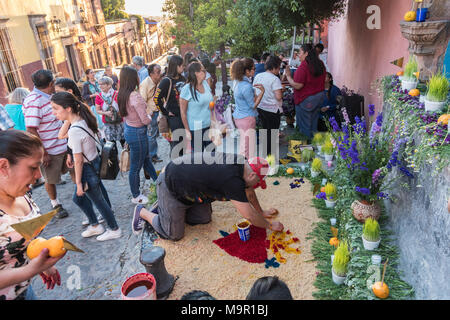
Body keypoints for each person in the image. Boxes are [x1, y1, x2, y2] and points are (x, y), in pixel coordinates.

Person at [131, 153, 284, 240]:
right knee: (173, 234)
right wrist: (270, 225)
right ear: (251, 175)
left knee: (204, 219)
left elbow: (249, 191)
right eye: (257, 182)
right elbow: (249, 215)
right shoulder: (232, 180)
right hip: (171, 185)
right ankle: (143, 212)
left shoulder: (242, 163)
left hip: (192, 189)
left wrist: (262, 212)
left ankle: (171, 212)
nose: (255, 186)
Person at [0, 130, 64, 300]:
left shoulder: (22, 192)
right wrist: (30, 270)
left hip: (24, 291)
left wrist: (41, 262)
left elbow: (22, 236)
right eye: (33, 167)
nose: (39, 176)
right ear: (4, 166)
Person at [51, 91, 121, 241]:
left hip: (87, 170)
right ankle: (95, 225)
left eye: (56, 108)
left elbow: (78, 161)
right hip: (93, 163)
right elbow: (61, 135)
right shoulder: (81, 120)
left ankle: (114, 228)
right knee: (82, 199)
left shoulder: (76, 130)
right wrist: (68, 119)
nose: (53, 112)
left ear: (68, 108)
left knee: (98, 202)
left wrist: (78, 183)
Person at [54, 78, 106, 226]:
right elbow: (67, 135)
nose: (56, 96)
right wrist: (70, 153)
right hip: (82, 154)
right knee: (95, 190)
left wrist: (68, 118)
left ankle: (100, 217)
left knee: (93, 190)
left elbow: (66, 134)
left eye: (58, 92)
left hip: (87, 157)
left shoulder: (79, 110)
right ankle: (98, 216)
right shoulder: (73, 113)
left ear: (69, 92)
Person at [23, 69, 69, 219]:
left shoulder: (51, 96)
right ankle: (56, 203)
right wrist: (44, 153)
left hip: (64, 144)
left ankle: (82, 196)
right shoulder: (33, 101)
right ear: (51, 83)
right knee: (50, 179)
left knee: (75, 173)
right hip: (50, 150)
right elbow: (31, 129)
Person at [118, 66, 158, 205]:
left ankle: (158, 183)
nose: (139, 78)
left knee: (146, 159)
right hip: (138, 132)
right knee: (135, 167)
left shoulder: (121, 94)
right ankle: (136, 195)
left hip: (130, 129)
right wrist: (150, 114)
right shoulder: (134, 96)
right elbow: (145, 120)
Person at [284, 43, 326, 140]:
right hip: (318, 98)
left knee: (305, 126)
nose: (298, 54)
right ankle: (314, 147)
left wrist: (288, 76)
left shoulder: (304, 66)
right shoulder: (320, 63)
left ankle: (306, 149)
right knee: (313, 125)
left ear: (306, 53)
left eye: (300, 52)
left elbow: (298, 85)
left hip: (306, 99)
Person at [231, 58, 265, 159]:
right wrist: (262, 92)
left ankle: (244, 167)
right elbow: (253, 105)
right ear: (247, 71)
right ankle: (247, 169)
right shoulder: (246, 86)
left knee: (244, 145)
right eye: (253, 68)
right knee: (248, 148)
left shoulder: (237, 82)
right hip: (247, 118)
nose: (255, 70)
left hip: (239, 117)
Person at [154, 55, 187, 158]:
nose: (183, 67)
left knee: (184, 145)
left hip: (185, 116)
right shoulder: (166, 81)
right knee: (176, 146)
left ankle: (183, 168)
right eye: (181, 65)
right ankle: (175, 168)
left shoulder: (183, 78)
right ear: (176, 66)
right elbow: (156, 98)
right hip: (174, 118)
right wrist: (165, 112)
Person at [253, 55, 283, 157]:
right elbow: (278, 97)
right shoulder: (275, 79)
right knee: (273, 135)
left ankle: (266, 157)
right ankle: (271, 159)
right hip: (273, 110)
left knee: (265, 133)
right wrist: (282, 90)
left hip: (261, 107)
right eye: (279, 68)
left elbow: (256, 93)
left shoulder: (258, 76)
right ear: (274, 67)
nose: (279, 70)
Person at [180, 61, 214, 153]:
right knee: (199, 158)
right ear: (196, 73)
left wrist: (213, 123)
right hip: (196, 128)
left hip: (209, 125)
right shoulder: (186, 89)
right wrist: (187, 130)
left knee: (213, 154)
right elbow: (183, 112)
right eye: (203, 70)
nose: (205, 72)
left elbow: (210, 105)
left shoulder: (206, 84)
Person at [139, 63, 163, 163]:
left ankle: (152, 154)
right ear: (151, 74)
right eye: (158, 72)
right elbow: (142, 101)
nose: (160, 74)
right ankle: (152, 155)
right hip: (152, 113)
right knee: (151, 136)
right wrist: (149, 112)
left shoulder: (160, 81)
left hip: (160, 111)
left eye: (160, 71)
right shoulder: (145, 84)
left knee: (155, 134)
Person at [95, 76, 125, 148]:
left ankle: (126, 158)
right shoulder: (99, 96)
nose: (100, 86)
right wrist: (106, 113)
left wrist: (119, 112)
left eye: (102, 84)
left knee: (123, 142)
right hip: (108, 123)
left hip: (119, 121)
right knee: (112, 145)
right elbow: (97, 110)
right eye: (99, 84)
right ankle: (115, 159)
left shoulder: (117, 94)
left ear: (109, 85)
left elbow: (123, 107)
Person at [82, 69, 104, 137]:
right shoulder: (86, 84)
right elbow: (84, 96)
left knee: (104, 123)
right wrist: (93, 95)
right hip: (93, 106)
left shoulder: (98, 82)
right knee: (98, 124)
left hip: (102, 105)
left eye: (93, 72)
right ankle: (102, 139)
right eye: (91, 73)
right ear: (87, 75)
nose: (93, 74)